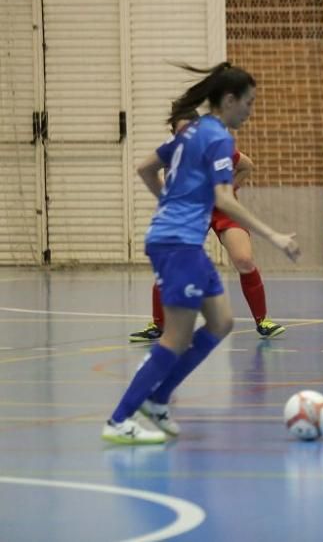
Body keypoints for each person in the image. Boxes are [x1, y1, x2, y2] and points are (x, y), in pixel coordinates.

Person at [102, 62, 299, 444]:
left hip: (179, 238)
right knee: (174, 338)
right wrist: (274, 236)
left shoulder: (192, 132)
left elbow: (146, 168)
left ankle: (158, 400)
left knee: (221, 322)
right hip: (177, 243)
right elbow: (225, 197)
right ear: (229, 100)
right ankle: (119, 419)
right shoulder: (218, 138)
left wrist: (170, 203)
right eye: (249, 103)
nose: (250, 111)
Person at [129, 110, 285, 342]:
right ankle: (158, 324)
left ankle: (263, 321)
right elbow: (149, 173)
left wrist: (228, 190)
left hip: (221, 208)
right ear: (174, 133)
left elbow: (246, 166)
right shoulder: (169, 153)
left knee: (243, 260)